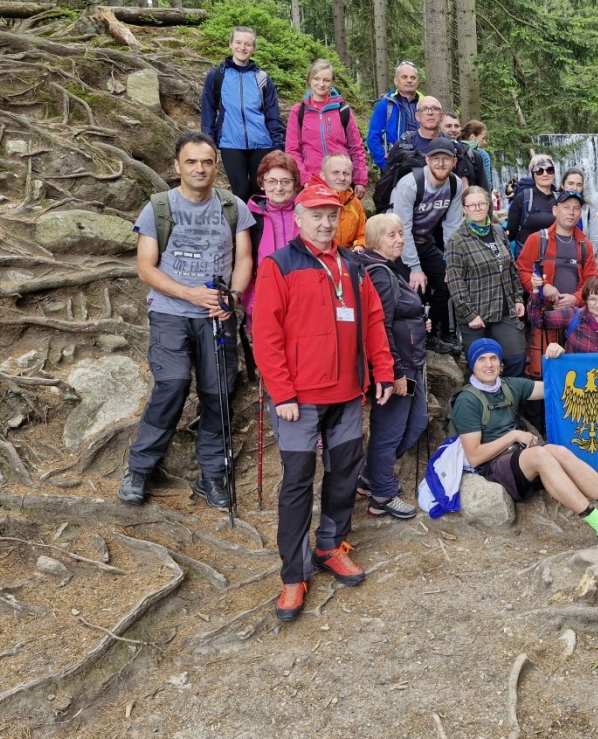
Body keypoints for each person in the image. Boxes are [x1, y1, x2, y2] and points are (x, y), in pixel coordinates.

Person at [252, 183, 395, 621]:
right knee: (297, 483)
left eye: (331, 214)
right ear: (298, 217)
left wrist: (383, 370)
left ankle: (330, 546)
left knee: (343, 475)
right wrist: (282, 392)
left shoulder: (353, 265)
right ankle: (293, 576)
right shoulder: (279, 265)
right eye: (316, 214)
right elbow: (266, 333)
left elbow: (372, 319)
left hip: (347, 393)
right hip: (299, 398)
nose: (325, 222)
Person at [117, 132, 255, 507]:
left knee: (218, 394)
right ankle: (139, 470)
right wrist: (190, 293)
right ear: (177, 166)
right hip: (170, 312)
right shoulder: (158, 207)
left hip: (217, 315)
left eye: (207, 162)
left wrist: (234, 297)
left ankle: (212, 477)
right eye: (191, 162)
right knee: (172, 384)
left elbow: (244, 259)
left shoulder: (232, 207)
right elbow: (145, 268)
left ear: (215, 166)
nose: (199, 168)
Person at [451, 339, 598, 547]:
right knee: (541, 454)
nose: (488, 365)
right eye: (481, 360)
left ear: (500, 363)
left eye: (493, 359)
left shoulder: (509, 386)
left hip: (522, 460)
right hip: (494, 469)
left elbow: (557, 387)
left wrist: (558, 358)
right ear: (472, 365)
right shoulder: (467, 400)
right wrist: (514, 435)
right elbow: (475, 456)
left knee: (559, 451)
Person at [353, 214, 426, 520]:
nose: (399, 240)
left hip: (409, 361)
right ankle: (383, 493)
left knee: (416, 421)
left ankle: (370, 476)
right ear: (374, 240)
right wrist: (394, 372)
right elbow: (379, 325)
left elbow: (397, 314)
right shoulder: (380, 272)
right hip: (399, 366)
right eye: (391, 235)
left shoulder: (387, 269)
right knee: (390, 430)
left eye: (400, 233)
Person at [391, 136, 465, 355]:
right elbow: (401, 228)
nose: (440, 164)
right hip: (398, 244)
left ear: (454, 162)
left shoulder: (455, 184)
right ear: (427, 160)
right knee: (416, 288)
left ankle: (435, 333)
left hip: (426, 241)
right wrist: (414, 268)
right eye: (435, 159)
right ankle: (415, 337)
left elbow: (452, 226)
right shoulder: (410, 184)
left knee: (447, 282)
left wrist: (451, 262)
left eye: (446, 159)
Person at [517, 190, 598, 379]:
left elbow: (591, 280)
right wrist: (542, 287)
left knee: (576, 373)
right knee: (543, 371)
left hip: (576, 318)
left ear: (580, 214)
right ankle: (539, 408)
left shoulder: (585, 245)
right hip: (545, 316)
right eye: (566, 207)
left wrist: (576, 298)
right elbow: (522, 270)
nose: (571, 212)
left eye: (576, 209)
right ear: (555, 210)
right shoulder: (537, 239)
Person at [446, 186, 527, 377]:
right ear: (464, 209)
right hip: (476, 315)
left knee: (516, 357)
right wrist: (469, 314)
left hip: (504, 309)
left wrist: (518, 298)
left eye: (481, 203)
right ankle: (479, 405)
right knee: (478, 367)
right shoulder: (457, 241)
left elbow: (511, 268)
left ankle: (510, 402)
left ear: (488, 205)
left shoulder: (498, 231)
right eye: (472, 205)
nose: (477, 208)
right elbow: (456, 282)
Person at [199, 27, 285, 203]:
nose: (242, 47)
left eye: (248, 44)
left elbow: (272, 113)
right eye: (238, 42)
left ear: (253, 48)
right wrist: (208, 139)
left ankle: (260, 229)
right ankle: (240, 230)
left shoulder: (262, 78)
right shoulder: (217, 76)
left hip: (262, 142)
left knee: (259, 190)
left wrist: (278, 144)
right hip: (230, 143)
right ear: (231, 44)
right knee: (240, 190)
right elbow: (208, 108)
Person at [285, 60, 367, 198]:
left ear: (332, 82)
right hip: (313, 180)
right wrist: (305, 178)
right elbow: (292, 150)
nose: (321, 84)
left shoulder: (343, 110)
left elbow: (356, 147)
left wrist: (360, 179)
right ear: (310, 79)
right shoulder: (299, 111)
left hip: (341, 179)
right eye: (316, 79)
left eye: (326, 80)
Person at [243, 150, 300, 328]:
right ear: (262, 183)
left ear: (295, 184)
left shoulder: (308, 214)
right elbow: (243, 262)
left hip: (303, 301)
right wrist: (252, 303)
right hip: (263, 301)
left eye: (286, 181)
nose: (279, 188)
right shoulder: (250, 217)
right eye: (272, 181)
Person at [366, 61, 422, 171]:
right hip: (394, 164)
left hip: (421, 163)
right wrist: (385, 165)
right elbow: (373, 137)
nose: (409, 80)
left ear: (417, 81)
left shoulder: (425, 104)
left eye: (413, 77)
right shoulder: (386, 104)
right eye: (404, 77)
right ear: (396, 80)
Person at [305, 153, 367, 250]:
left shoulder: (355, 202)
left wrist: (359, 245)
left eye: (346, 173)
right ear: (323, 175)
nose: (342, 178)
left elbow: (362, 234)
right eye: (335, 172)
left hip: (348, 258)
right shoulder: (311, 200)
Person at [506, 154, 559, 248]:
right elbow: (511, 233)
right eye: (539, 171)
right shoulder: (522, 198)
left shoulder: (560, 199)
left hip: (555, 255)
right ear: (533, 175)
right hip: (528, 257)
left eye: (549, 170)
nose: (545, 174)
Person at [560, 168, 598, 237]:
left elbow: (594, 238)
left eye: (579, 185)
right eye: (571, 183)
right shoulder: (555, 205)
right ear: (562, 185)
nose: (575, 188)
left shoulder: (589, 210)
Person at [460, 119, 493, 194]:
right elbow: (488, 184)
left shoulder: (454, 150)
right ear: (472, 137)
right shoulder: (482, 154)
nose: (485, 142)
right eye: (483, 138)